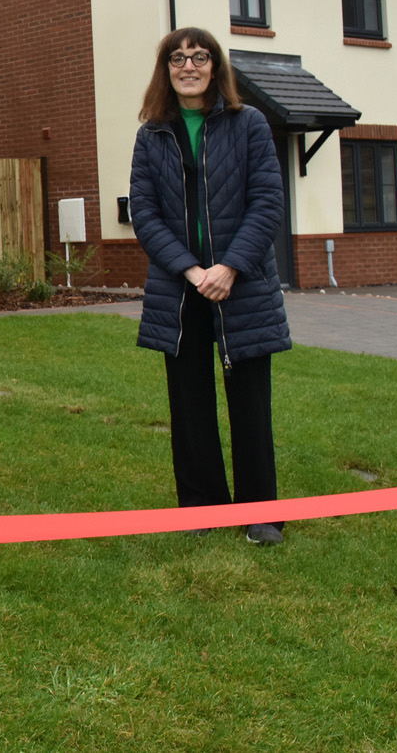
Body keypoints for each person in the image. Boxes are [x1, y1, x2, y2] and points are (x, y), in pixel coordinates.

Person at [128, 27, 292, 545]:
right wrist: (192, 270)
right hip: (181, 291)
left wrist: (229, 268)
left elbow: (267, 201)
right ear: (166, 70)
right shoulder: (151, 134)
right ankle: (201, 508)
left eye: (199, 57)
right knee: (189, 403)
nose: (189, 66)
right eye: (178, 59)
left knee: (250, 402)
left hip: (241, 286)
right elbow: (145, 213)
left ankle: (260, 514)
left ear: (215, 67)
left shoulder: (250, 125)